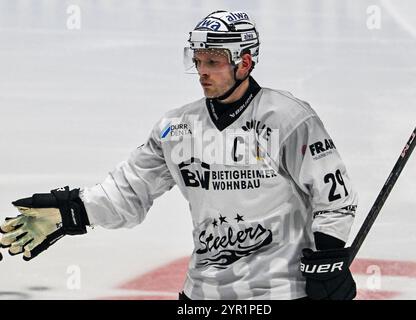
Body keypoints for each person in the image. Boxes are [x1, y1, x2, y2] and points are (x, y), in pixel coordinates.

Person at [0, 10, 358, 300]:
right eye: (198, 59)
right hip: (202, 294)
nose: (202, 70)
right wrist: (72, 210)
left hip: (280, 292)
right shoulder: (176, 128)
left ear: (245, 63)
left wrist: (326, 262)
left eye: (214, 61)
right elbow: (128, 194)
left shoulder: (288, 118)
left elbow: (335, 200)